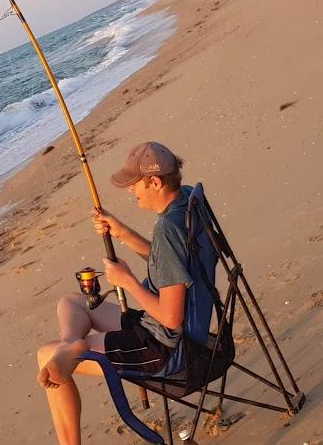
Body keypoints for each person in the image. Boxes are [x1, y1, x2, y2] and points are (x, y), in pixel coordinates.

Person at [35, 141, 198, 445]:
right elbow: (168, 262)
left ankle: (71, 352)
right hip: (166, 326)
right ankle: (72, 347)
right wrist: (121, 231)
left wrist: (129, 282)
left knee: (46, 355)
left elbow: (171, 317)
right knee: (73, 302)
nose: (130, 190)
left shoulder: (168, 229)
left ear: (155, 181)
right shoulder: (185, 205)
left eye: (134, 184)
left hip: (162, 347)